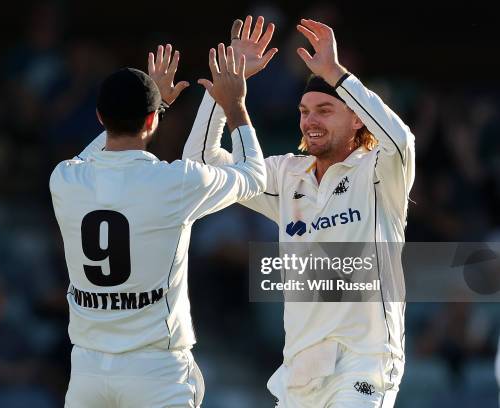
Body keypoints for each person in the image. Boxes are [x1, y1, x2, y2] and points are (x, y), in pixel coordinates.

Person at [183, 16, 415, 407]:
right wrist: (222, 93)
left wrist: (336, 74)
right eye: (304, 111)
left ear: (357, 117)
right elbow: (201, 164)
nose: (310, 121)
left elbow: (400, 138)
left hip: (364, 365)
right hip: (300, 374)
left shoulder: (380, 172)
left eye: (325, 109)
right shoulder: (287, 175)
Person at [50, 42, 267, 407]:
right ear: (152, 121)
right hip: (155, 370)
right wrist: (234, 105)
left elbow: (93, 152)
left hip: (87, 370)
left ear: (100, 117)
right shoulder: (174, 183)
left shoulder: (64, 179)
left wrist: (153, 103)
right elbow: (253, 175)